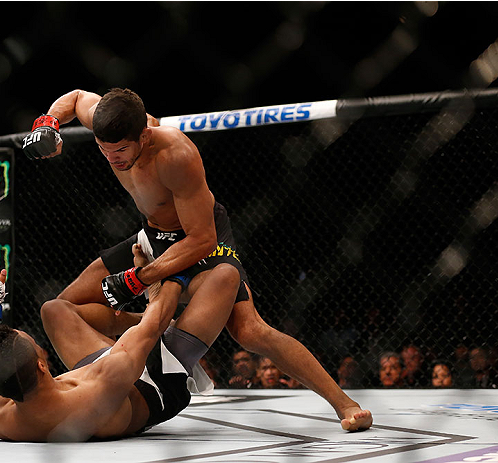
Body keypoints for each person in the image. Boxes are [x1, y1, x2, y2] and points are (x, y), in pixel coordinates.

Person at [21, 88, 372, 431]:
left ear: (143, 135)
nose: (112, 158)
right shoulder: (106, 122)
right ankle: (148, 343)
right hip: (153, 233)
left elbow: (201, 239)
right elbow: (77, 97)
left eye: (120, 150)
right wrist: (47, 124)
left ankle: (345, 403)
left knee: (250, 331)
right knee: (65, 304)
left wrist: (139, 278)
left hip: (200, 237)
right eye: (104, 149)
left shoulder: (174, 154)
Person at [0, 244, 242, 441]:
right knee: (227, 275)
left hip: (107, 366)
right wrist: (167, 269)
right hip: (154, 385)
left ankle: (141, 309)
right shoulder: (95, 392)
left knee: (53, 310)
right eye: (36, 344)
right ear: (42, 365)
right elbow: (153, 325)